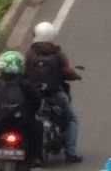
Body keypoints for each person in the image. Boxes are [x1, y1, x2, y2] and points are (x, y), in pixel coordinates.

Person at [25, 21, 83, 163]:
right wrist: (76, 76)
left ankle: (31, 153)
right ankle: (71, 153)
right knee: (71, 119)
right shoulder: (57, 53)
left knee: (28, 118)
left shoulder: (30, 52)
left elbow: (24, 72)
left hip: (35, 95)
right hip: (55, 94)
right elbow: (67, 72)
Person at [0, 50, 41, 165]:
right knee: (38, 127)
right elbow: (37, 101)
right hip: (23, 123)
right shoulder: (26, 83)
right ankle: (36, 158)